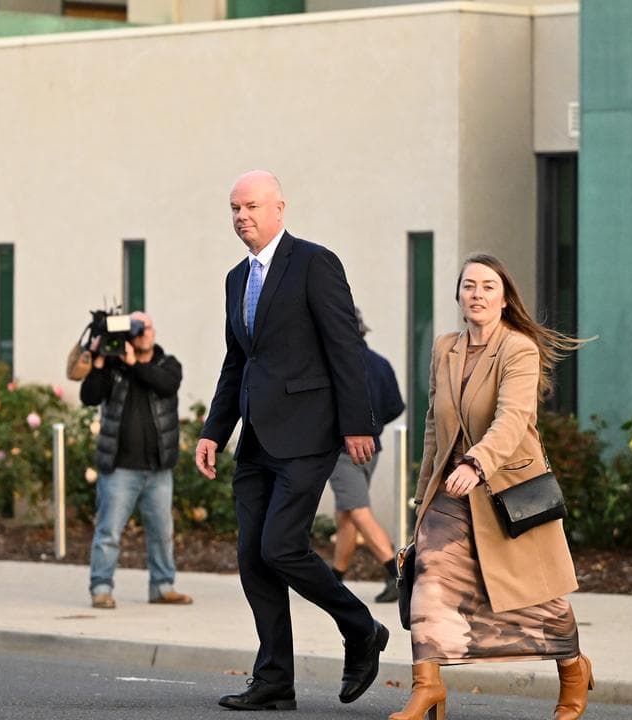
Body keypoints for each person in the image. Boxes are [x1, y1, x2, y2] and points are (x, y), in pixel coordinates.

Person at [195, 170, 388, 711]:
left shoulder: (314, 262)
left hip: (309, 433)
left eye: (251, 206)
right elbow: (238, 361)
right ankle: (275, 678)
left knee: (281, 546)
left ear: (279, 207)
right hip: (255, 438)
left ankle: (361, 629)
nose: (242, 217)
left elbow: (344, 346)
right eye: (234, 209)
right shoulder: (237, 278)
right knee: (253, 558)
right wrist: (215, 431)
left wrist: (357, 423)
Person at [392, 254, 592, 720]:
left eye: (487, 286)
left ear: (504, 299)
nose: (477, 294)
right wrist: (424, 495)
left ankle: (573, 670)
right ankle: (428, 686)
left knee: (539, 598)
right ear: (459, 297)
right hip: (451, 492)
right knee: (429, 579)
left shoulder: (518, 349)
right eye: (469, 286)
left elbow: (512, 418)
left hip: (509, 493)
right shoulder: (445, 348)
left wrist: (477, 463)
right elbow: (432, 426)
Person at [80, 311, 192, 609]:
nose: (143, 333)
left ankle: (162, 587)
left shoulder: (168, 364)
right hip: (119, 468)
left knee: (162, 534)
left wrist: (132, 365)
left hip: (158, 469)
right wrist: (100, 361)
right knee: (108, 533)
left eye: (147, 328)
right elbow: (89, 396)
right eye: (136, 328)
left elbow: (166, 385)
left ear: (154, 333)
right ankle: (101, 588)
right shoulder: (113, 365)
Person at [328, 307, 405, 603]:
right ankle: (335, 578)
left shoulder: (337, 364)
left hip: (343, 450)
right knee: (346, 513)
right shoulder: (380, 363)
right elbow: (395, 406)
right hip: (373, 448)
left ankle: (396, 573)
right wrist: (371, 428)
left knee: (358, 510)